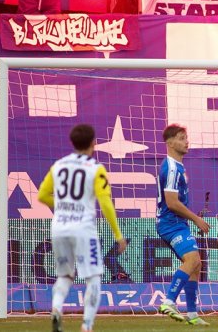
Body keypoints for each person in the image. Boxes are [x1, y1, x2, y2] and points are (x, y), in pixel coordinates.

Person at [37, 124, 127, 332]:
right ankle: (87, 324)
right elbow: (105, 204)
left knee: (64, 276)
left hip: (59, 227)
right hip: (83, 229)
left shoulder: (58, 166)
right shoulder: (96, 168)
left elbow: (42, 195)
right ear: (94, 143)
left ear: (72, 143)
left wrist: (62, 206)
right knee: (93, 276)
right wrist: (118, 235)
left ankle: (57, 308)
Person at [156, 124, 211, 326]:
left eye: (186, 137)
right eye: (181, 138)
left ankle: (192, 313)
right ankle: (169, 301)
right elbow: (171, 202)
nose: (186, 141)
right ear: (169, 143)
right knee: (192, 259)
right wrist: (196, 218)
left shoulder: (178, 166)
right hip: (170, 223)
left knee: (196, 265)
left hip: (177, 222)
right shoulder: (171, 168)